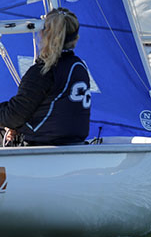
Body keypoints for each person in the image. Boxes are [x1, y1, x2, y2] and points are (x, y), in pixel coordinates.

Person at [0, 8, 91, 146]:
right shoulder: (78, 67)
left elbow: (14, 116)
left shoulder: (44, 72)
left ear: (43, 35)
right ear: (75, 38)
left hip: (43, 147)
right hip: (72, 143)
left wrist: (13, 125)